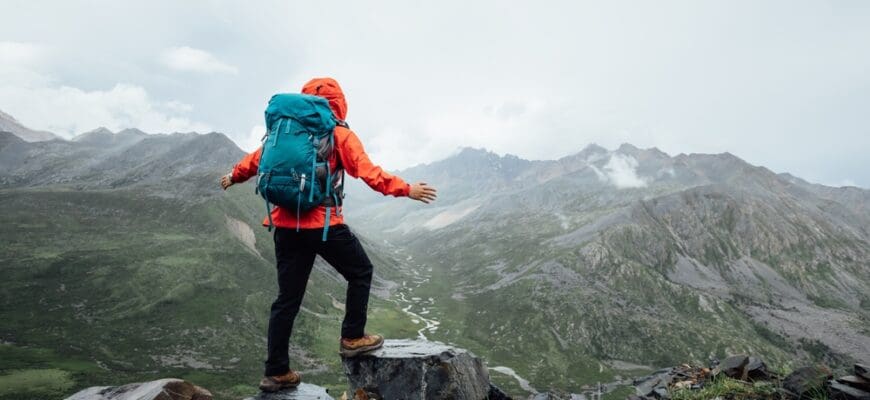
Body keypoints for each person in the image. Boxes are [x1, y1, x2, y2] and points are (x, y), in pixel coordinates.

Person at [220, 77, 437, 392]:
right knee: (361, 271)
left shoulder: (285, 131)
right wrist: (407, 189)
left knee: (287, 299)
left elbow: (255, 161)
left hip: (285, 226)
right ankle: (352, 337)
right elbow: (369, 172)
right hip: (323, 225)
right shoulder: (339, 134)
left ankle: (276, 371)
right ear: (339, 102)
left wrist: (231, 176)